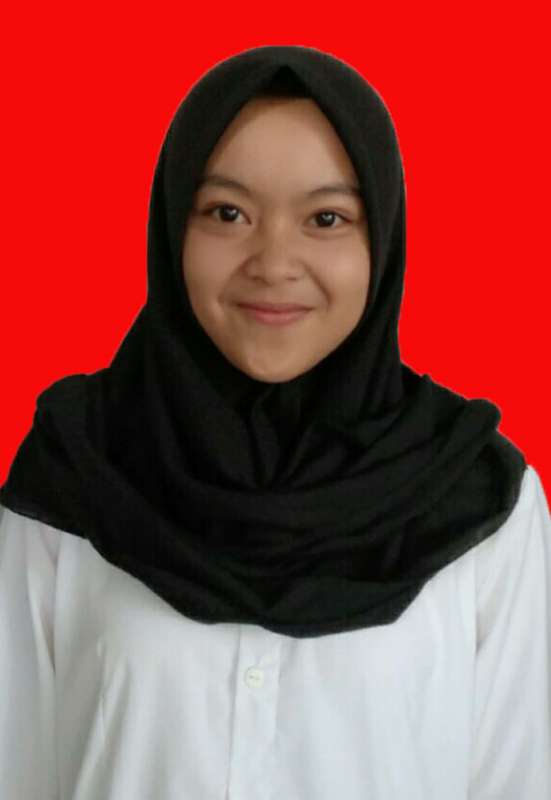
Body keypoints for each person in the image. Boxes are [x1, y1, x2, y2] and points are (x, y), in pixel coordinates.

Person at [0, 44, 549, 799]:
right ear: (173, 225)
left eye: (326, 218)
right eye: (228, 213)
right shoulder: (76, 469)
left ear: (381, 238)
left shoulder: (482, 499)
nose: (273, 261)